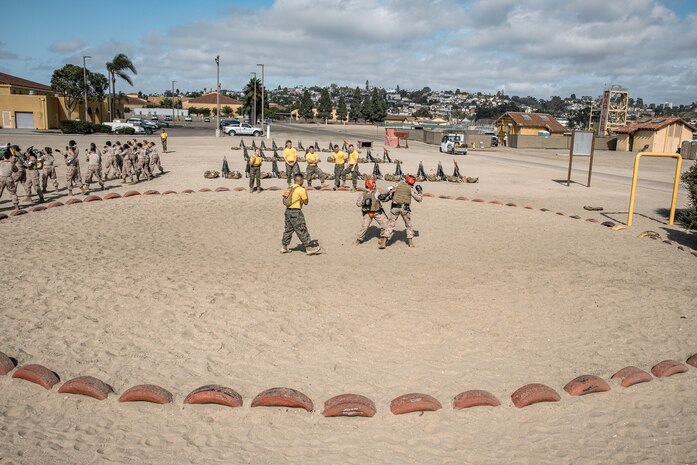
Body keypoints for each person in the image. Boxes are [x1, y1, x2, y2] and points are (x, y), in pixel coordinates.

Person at [281, 173, 321, 256]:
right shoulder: (301, 189)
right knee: (302, 229)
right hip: (296, 212)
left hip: (288, 211)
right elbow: (306, 202)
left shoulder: (289, 188)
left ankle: (284, 247)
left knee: (288, 229)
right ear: (301, 180)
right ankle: (308, 248)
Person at [381, 174, 423, 248]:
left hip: (395, 208)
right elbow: (419, 199)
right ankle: (410, 243)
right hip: (405, 209)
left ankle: (384, 242)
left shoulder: (397, 185)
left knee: (390, 224)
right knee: (408, 225)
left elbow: (387, 190)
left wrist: (383, 196)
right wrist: (420, 192)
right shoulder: (410, 189)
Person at [355, 177, 388, 245]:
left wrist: (385, 196)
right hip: (367, 212)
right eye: (373, 183)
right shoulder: (363, 193)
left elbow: (383, 198)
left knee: (385, 225)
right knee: (364, 227)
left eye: (374, 183)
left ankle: (382, 238)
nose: (374, 184)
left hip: (377, 211)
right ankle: (358, 239)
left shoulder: (377, 191)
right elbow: (358, 203)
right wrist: (364, 202)